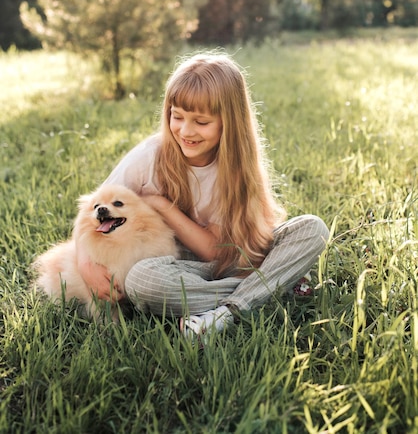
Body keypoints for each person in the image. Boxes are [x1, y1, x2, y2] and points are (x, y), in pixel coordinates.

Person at [80, 52, 329, 340]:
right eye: (177, 117)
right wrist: (86, 264)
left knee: (314, 228)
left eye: (201, 122)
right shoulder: (149, 157)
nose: (186, 131)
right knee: (142, 280)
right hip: (176, 269)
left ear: (229, 122)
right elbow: (92, 211)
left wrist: (162, 205)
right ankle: (274, 286)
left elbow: (215, 251)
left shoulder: (237, 167)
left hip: (231, 260)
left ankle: (227, 311)